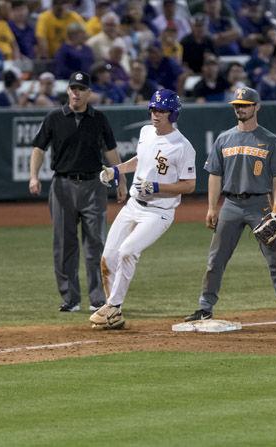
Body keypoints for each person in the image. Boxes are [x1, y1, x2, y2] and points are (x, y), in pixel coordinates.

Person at [184, 86, 276, 327]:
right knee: (215, 259)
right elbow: (214, 175)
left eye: (245, 105)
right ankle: (205, 307)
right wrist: (211, 207)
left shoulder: (270, 140)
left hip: (260, 205)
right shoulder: (224, 139)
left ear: (256, 107)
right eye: (237, 105)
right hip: (231, 204)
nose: (240, 109)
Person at [89, 89, 197, 330]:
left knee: (127, 251)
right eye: (153, 109)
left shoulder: (182, 146)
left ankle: (113, 307)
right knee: (107, 258)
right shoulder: (146, 132)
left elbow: (189, 185)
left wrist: (157, 186)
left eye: (161, 110)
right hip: (133, 205)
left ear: (173, 113)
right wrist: (115, 170)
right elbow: (140, 159)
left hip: (159, 211)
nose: (155, 114)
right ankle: (113, 312)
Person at [28, 71, 127, 313]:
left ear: (88, 93)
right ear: (68, 91)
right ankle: (70, 299)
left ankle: (97, 299)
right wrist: (33, 176)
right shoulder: (54, 117)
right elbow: (38, 148)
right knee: (64, 244)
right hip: (62, 185)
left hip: (93, 185)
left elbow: (112, 152)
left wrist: (121, 180)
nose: (76, 92)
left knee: (96, 244)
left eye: (81, 89)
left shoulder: (99, 119)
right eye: (73, 88)